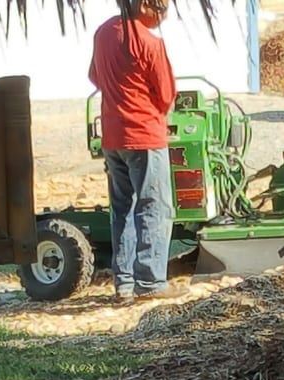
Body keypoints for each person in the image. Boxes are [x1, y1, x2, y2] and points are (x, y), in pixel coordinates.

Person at [89, 0, 183, 303]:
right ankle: (152, 281)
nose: (164, 15)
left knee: (122, 209)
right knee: (154, 207)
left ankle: (124, 284)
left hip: (113, 137)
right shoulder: (149, 42)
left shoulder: (103, 33)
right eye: (161, 8)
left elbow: (95, 76)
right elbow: (167, 94)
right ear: (144, 5)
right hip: (144, 136)